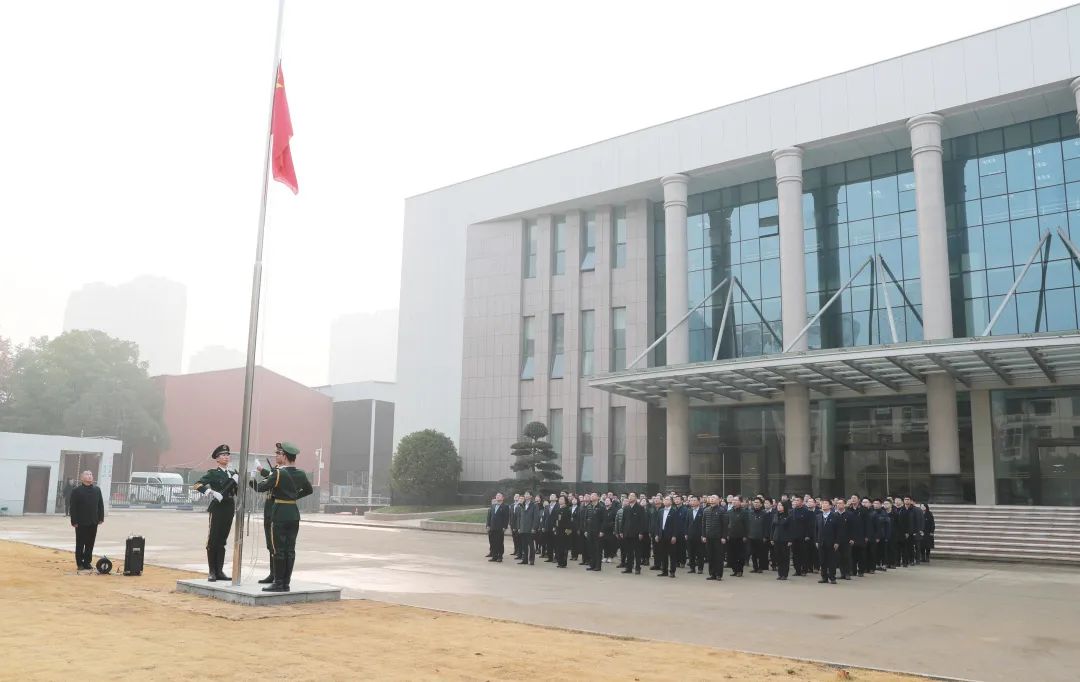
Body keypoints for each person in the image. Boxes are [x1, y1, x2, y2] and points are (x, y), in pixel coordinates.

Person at [261, 441, 313, 592]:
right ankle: (286, 583)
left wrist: (250, 480)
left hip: (280, 513)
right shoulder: (301, 473)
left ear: (284, 456)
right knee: (290, 550)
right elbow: (309, 490)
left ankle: (278, 583)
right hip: (293, 513)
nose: (277, 456)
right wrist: (294, 496)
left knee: (279, 550)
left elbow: (261, 487)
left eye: (279, 453)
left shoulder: (279, 473)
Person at [192, 444, 238, 582]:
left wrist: (238, 482)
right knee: (213, 539)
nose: (226, 457)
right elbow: (197, 484)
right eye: (223, 455)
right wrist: (211, 492)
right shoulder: (213, 473)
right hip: (217, 508)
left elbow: (236, 491)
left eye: (227, 455)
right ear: (217, 459)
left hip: (229, 507)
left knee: (222, 540)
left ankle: (220, 571)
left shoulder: (233, 473)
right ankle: (212, 571)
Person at [251, 453, 280, 584]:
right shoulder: (274, 474)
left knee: (275, 546)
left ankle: (277, 575)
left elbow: (267, 480)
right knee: (270, 545)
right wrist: (258, 470)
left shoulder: (280, 474)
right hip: (268, 513)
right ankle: (273, 574)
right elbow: (268, 478)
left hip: (275, 513)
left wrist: (258, 471)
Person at [69, 470, 104, 570]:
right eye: (87, 474)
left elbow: (100, 505)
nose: (89, 476)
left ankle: (87, 562)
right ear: (82, 478)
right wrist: (74, 521)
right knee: (80, 543)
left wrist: (100, 518)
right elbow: (73, 507)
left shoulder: (97, 490)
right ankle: (79, 563)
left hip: (93, 521)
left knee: (90, 543)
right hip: (81, 522)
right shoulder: (76, 491)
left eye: (91, 474)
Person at [702, 494, 728, 581]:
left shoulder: (722, 510)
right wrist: (703, 535)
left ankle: (718, 574)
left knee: (719, 557)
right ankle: (712, 574)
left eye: (714, 498)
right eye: (711, 498)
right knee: (710, 556)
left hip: (718, 538)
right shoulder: (706, 510)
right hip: (708, 537)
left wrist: (724, 537)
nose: (712, 499)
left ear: (718, 500)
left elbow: (725, 525)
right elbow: (703, 524)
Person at [654, 495, 681, 577]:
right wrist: (657, 534)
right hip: (661, 535)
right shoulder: (661, 511)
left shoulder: (674, 511)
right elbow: (657, 524)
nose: (665, 501)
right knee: (663, 554)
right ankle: (664, 571)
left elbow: (676, 525)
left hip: (670, 535)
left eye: (667, 499)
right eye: (665, 499)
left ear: (671, 502)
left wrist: (674, 536)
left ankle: (672, 571)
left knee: (672, 554)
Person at [816, 499, 842, 584]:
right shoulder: (818, 516)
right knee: (822, 561)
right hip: (821, 542)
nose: (824, 505)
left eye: (826, 503)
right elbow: (816, 530)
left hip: (831, 542)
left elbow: (839, 530)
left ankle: (832, 577)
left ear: (830, 506)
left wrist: (837, 542)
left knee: (831, 561)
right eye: (822, 503)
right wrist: (816, 541)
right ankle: (824, 577)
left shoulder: (835, 516)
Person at [727, 496, 749, 577]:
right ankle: (735, 570)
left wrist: (745, 536)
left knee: (740, 555)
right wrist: (727, 534)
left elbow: (747, 525)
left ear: (740, 502)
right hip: (731, 536)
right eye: (733, 500)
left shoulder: (744, 512)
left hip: (740, 537)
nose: (734, 501)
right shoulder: (729, 512)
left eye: (736, 500)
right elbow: (727, 524)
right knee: (732, 555)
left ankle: (740, 570)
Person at [748, 497, 771, 574]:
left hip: (761, 537)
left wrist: (765, 536)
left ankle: (761, 567)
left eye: (758, 502)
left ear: (761, 504)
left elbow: (767, 526)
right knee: (753, 553)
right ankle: (755, 567)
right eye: (755, 502)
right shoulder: (750, 513)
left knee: (761, 553)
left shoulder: (764, 514)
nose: (756, 504)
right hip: (751, 536)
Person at [516, 492, 540, 565]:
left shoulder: (534, 505)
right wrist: (519, 527)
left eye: (527, 494)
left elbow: (536, 517)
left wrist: (534, 527)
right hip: (523, 528)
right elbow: (519, 517)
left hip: (530, 528)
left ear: (531, 496)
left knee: (531, 545)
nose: (526, 495)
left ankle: (531, 560)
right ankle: (525, 559)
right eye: (525, 494)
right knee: (524, 545)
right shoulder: (521, 505)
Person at [485, 493, 510, 562]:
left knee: (499, 542)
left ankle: (500, 556)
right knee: (493, 542)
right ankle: (494, 556)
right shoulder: (493, 506)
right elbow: (489, 517)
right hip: (492, 527)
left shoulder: (505, 506)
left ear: (503, 498)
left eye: (499, 496)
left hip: (500, 527)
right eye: (497, 496)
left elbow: (506, 517)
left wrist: (505, 526)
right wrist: (488, 525)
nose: (497, 497)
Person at [772, 501, 792, 580]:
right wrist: (772, 538)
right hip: (776, 538)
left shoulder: (788, 516)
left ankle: (785, 574)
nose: (779, 506)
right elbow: (772, 527)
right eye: (778, 505)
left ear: (785, 507)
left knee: (785, 557)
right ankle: (780, 574)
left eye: (781, 505)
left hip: (785, 540)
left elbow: (791, 529)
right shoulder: (775, 515)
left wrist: (790, 540)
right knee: (778, 557)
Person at [685, 495, 705, 574]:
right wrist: (686, 533)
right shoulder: (689, 511)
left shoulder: (703, 511)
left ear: (699, 502)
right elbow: (687, 523)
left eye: (694, 500)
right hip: (690, 535)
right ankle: (692, 568)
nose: (692, 502)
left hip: (699, 535)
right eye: (691, 500)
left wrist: (703, 534)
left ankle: (700, 568)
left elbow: (704, 524)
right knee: (691, 553)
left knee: (700, 553)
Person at [587, 492, 606, 571]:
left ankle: (598, 566)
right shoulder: (589, 507)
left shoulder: (601, 507)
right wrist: (586, 530)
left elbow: (604, 520)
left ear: (598, 497)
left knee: (598, 549)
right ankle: (592, 565)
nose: (592, 497)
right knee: (591, 549)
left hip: (598, 531)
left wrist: (602, 531)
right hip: (590, 530)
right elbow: (587, 518)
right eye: (591, 495)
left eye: (593, 495)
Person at [554, 495, 574, 568]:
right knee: (559, 547)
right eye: (559, 499)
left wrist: (568, 530)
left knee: (564, 547)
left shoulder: (567, 510)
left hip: (565, 531)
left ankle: (563, 563)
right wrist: (555, 528)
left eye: (562, 499)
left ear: (565, 501)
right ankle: (559, 562)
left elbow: (569, 521)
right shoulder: (558, 509)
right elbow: (556, 520)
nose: (560, 500)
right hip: (558, 530)